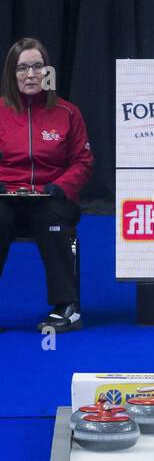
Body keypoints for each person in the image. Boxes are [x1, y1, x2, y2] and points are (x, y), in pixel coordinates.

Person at [0, 37, 93, 332]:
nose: (30, 74)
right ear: (11, 74)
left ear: (47, 71)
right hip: (6, 198)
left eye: (37, 67)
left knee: (50, 217)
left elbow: (83, 161)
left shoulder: (68, 113)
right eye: (22, 68)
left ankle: (68, 306)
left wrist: (61, 186)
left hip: (50, 198)